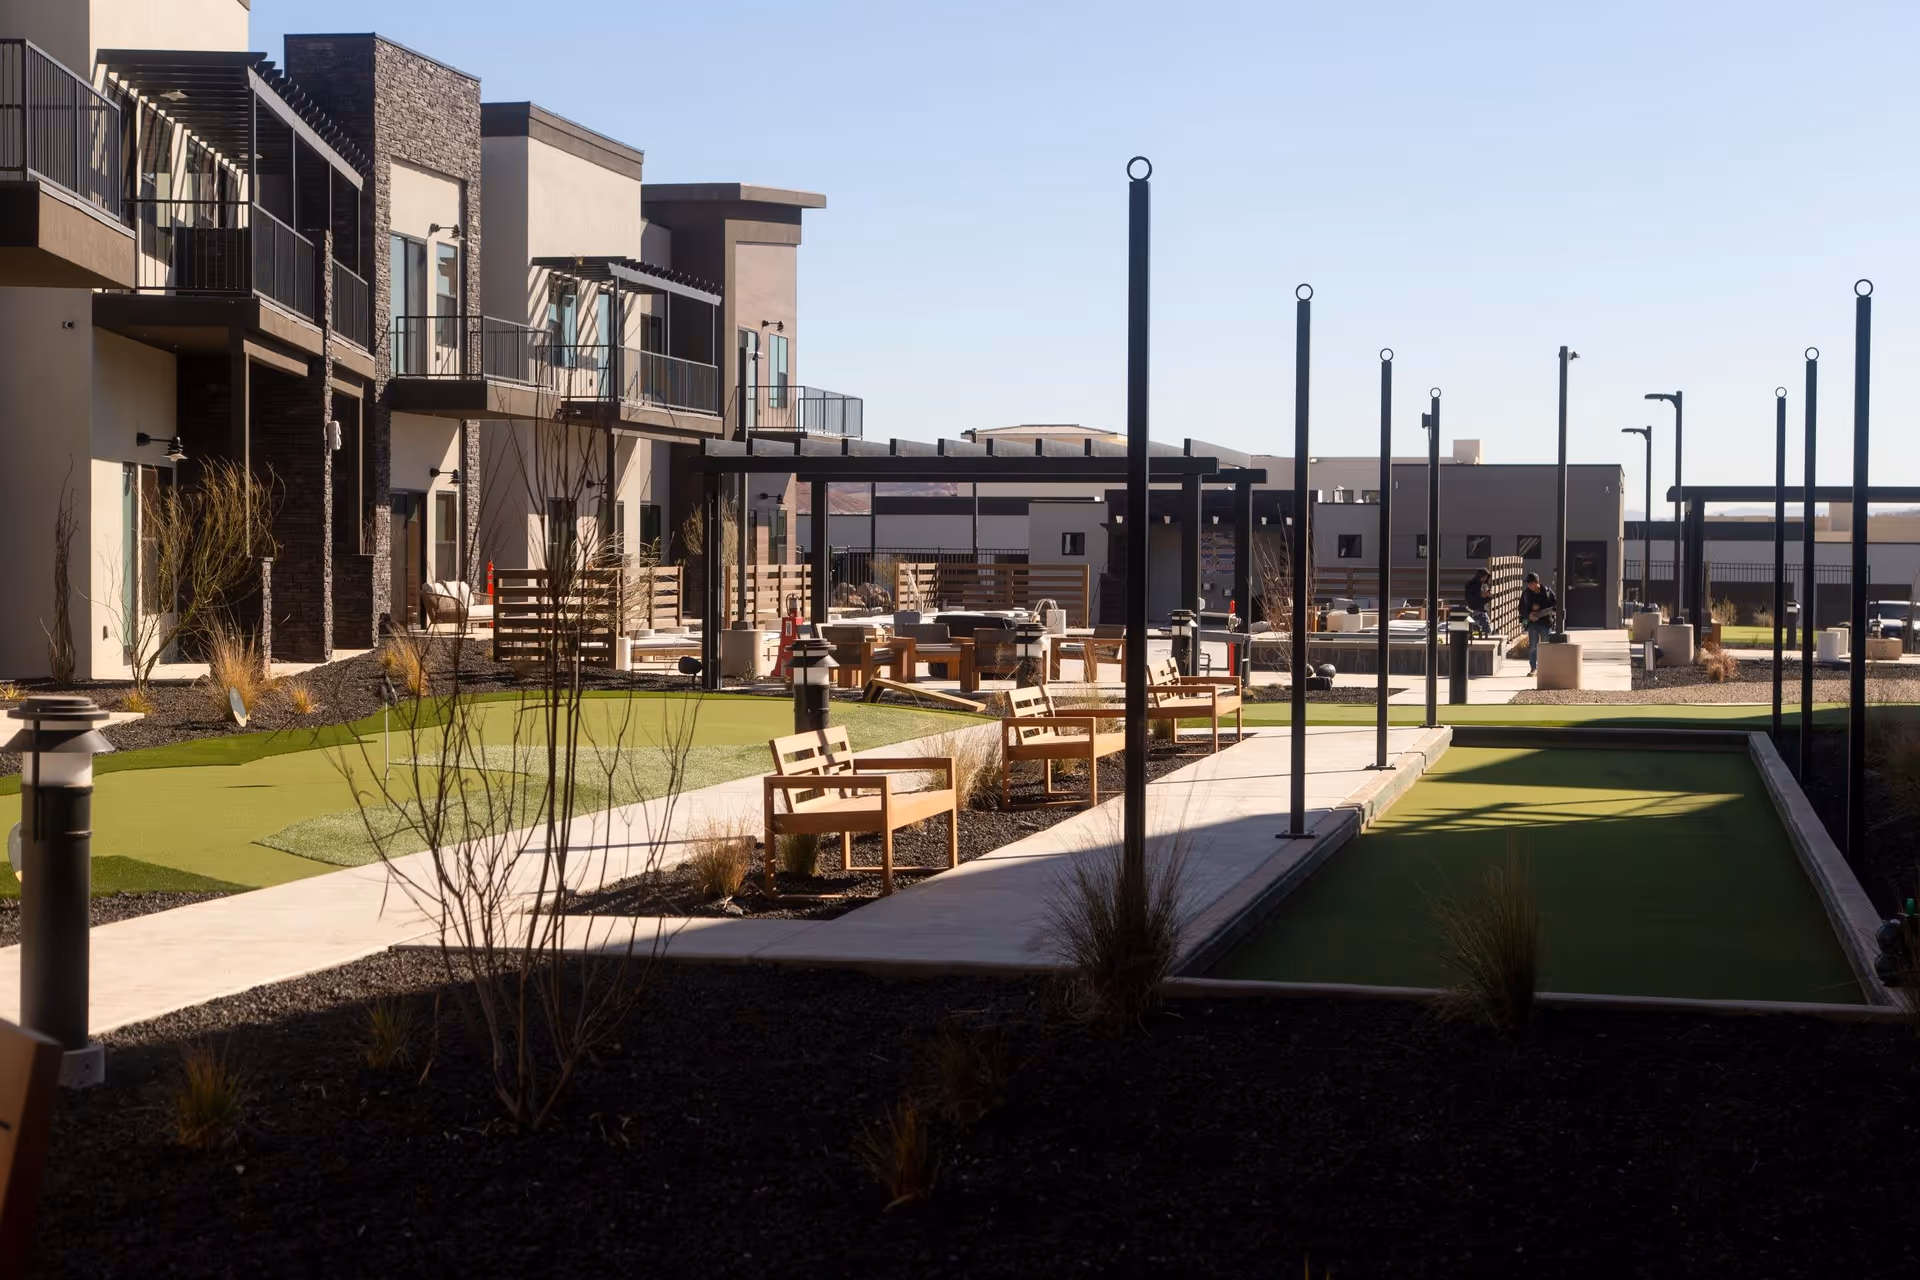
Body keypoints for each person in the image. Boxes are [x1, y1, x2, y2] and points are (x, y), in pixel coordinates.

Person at [1520, 572, 1558, 675]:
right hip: (1533, 624)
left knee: (1546, 646)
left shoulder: (1547, 592)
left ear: (1537, 582)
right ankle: (1533, 668)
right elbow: (1521, 608)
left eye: (1531, 583)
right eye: (1528, 584)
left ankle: (1546, 668)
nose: (1529, 586)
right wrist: (1529, 615)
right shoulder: (1526, 593)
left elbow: (1555, 606)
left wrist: (1541, 609)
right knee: (1533, 647)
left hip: (1545, 623)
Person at [1463, 568, 1493, 636]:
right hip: (1474, 609)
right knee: (1480, 628)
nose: (1484, 579)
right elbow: (1470, 597)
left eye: (1486, 577)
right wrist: (1480, 595)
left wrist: (1488, 596)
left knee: (1487, 629)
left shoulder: (1484, 585)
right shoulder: (1471, 584)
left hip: (1483, 609)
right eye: (1484, 577)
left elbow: (1487, 598)